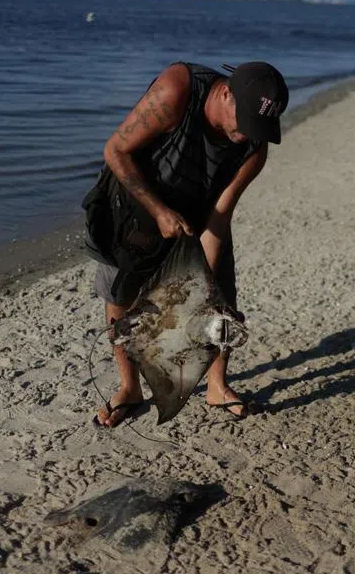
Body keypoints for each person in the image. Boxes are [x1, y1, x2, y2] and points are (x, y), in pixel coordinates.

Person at [82, 60, 289, 427]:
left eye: (258, 127)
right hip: (134, 199)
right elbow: (115, 150)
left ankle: (216, 385)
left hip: (198, 212)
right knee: (122, 296)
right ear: (226, 93)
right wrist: (158, 211)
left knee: (220, 300)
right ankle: (129, 388)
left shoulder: (253, 146)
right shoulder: (178, 90)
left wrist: (205, 290)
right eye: (245, 122)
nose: (247, 134)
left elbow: (218, 219)